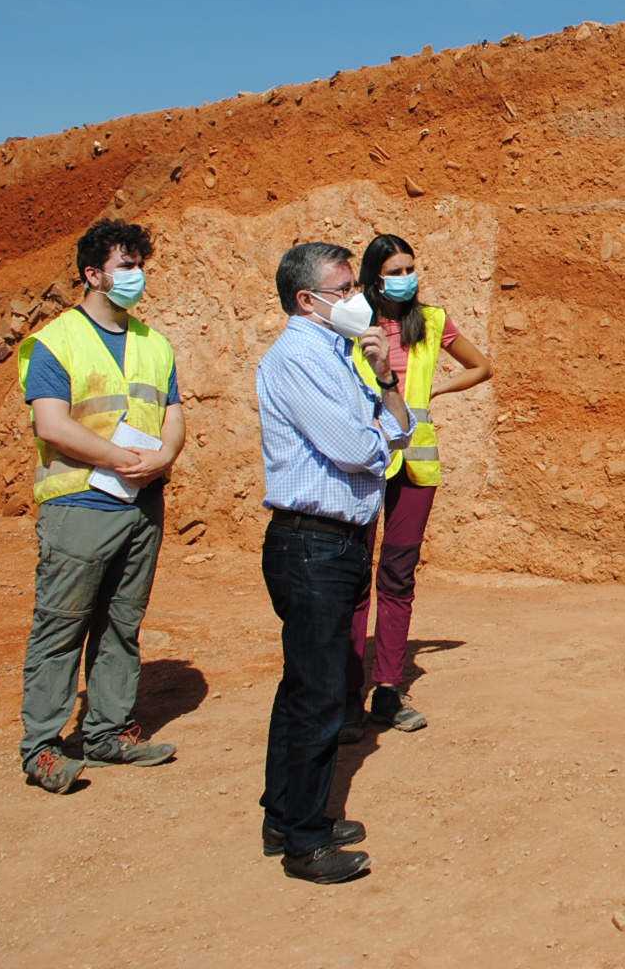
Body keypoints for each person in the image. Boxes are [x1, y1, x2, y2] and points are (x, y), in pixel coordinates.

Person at [255, 242, 414, 883]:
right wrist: (379, 435)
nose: (357, 298)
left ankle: (287, 815)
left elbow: (399, 428)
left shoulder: (339, 355)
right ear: (307, 300)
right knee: (318, 695)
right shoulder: (298, 356)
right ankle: (306, 841)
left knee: (304, 687)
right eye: (344, 288)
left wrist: (386, 380)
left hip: (337, 542)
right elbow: (356, 447)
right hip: (312, 544)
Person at [15, 219, 186, 793]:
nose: (138, 276)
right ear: (93, 274)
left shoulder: (154, 344)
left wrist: (164, 456)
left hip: (141, 502)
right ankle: (42, 748)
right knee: (61, 626)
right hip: (81, 503)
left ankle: (107, 733)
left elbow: (173, 413)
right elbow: (52, 423)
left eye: (141, 265)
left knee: (121, 624)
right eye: (126, 266)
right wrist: (121, 458)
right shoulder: (57, 340)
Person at [343, 233, 492, 739]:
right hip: (363, 462)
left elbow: (481, 366)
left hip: (415, 463)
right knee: (355, 578)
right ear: (373, 277)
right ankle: (346, 694)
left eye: (410, 268)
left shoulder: (431, 320)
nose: (407, 278)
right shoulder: (350, 322)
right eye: (396, 271)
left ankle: (387, 689)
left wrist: (433, 390)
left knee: (398, 575)